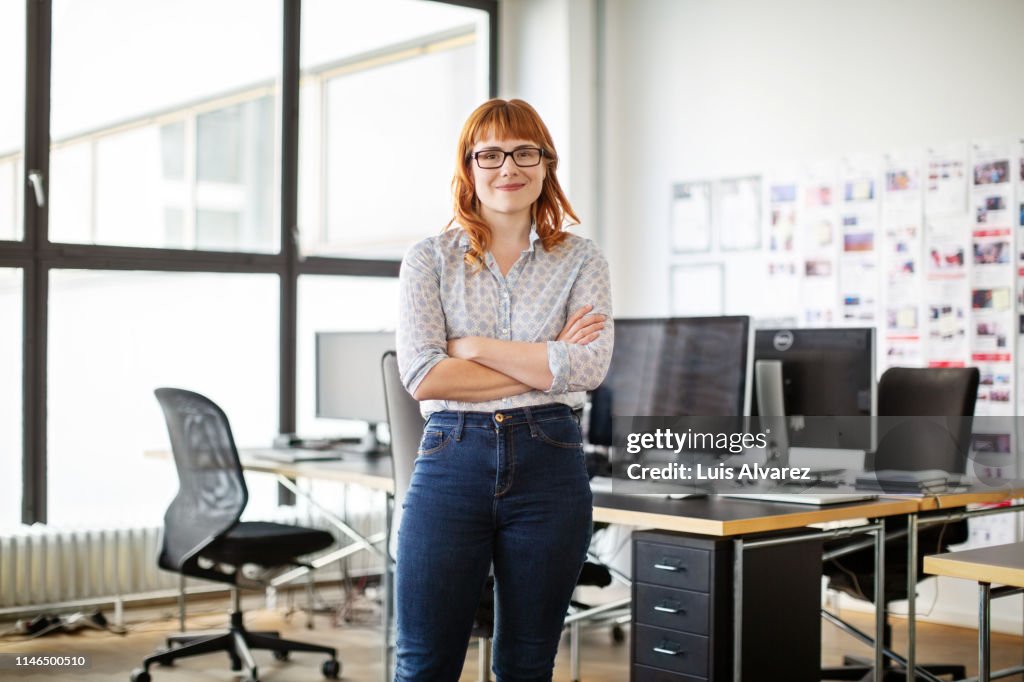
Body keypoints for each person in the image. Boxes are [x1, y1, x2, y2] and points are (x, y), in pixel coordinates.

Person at [394, 98, 614, 681]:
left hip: (551, 463)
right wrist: (546, 359)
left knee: (527, 663)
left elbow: (587, 368)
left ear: (546, 164)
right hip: (451, 459)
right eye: (488, 154)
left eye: (524, 152)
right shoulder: (429, 260)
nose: (507, 167)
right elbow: (424, 376)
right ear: (468, 167)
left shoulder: (581, 259)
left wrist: (473, 348)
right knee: (423, 663)